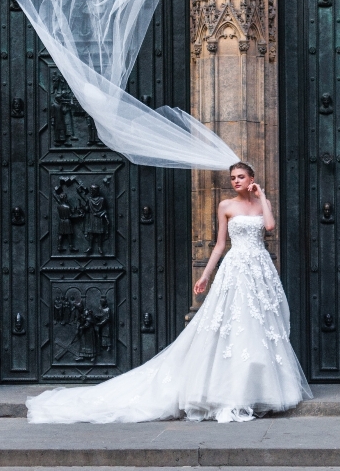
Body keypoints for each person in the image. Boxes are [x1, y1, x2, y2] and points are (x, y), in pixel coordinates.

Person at [26, 162, 312, 423]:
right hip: (236, 269)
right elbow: (220, 245)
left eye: (241, 177)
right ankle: (227, 391)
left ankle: (257, 389)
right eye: (233, 178)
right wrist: (205, 275)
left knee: (259, 325)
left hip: (260, 269)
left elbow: (270, 226)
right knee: (232, 325)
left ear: (251, 178)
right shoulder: (225, 205)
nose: (236, 181)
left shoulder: (262, 204)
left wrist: (261, 196)